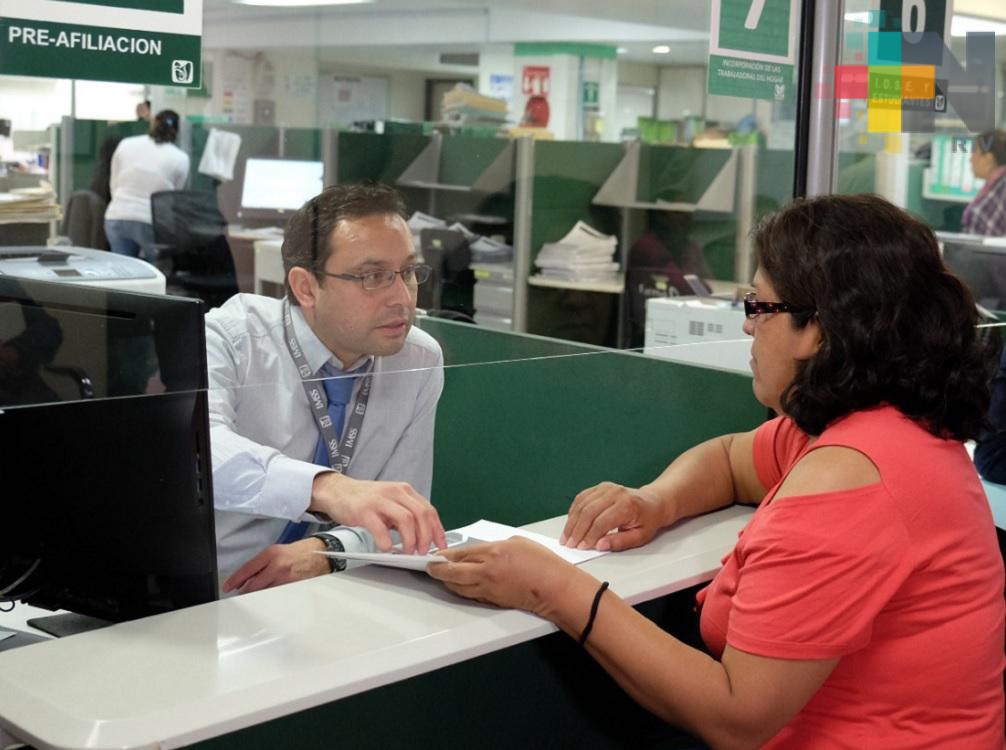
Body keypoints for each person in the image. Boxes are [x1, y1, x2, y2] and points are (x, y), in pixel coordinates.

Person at [430, 194, 1005, 748]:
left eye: (759, 306)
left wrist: (552, 586)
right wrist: (655, 501)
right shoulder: (880, 430)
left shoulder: (846, 487)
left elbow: (735, 717)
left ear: (819, 329)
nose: (749, 327)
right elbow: (732, 459)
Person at [206, 183, 446, 594]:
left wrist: (329, 550)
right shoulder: (232, 336)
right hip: (208, 594)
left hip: (331, 591)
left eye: (407, 272)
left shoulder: (418, 359)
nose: (403, 297)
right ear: (305, 288)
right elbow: (201, 451)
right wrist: (326, 488)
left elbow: (405, 518)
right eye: (373, 277)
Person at [103, 109, 189, 261]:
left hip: (117, 215)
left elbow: (114, 183)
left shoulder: (126, 144)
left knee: (122, 272)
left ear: (153, 123)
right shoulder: (180, 158)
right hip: (150, 222)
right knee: (155, 275)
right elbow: (173, 198)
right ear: (176, 131)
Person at [962, 128, 1006, 236]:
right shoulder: (995, 184)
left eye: (975, 152)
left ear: (989, 159)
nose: (970, 159)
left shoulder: (1002, 187)